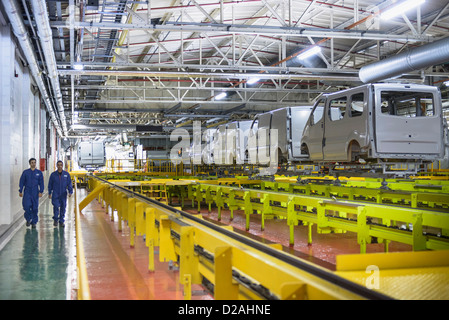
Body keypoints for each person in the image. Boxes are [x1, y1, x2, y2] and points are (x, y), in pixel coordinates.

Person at [19, 158, 44, 228]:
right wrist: (20, 190)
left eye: (34, 162)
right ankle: (28, 219)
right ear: (30, 164)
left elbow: (41, 183)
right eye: (32, 162)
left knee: (35, 208)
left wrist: (41, 191)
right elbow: (22, 182)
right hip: (27, 192)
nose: (33, 164)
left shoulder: (39, 173)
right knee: (26, 206)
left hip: (35, 192)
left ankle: (34, 222)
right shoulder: (25, 172)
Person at [48, 160, 73, 227]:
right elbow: (50, 184)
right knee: (56, 206)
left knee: (63, 207)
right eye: (58, 165)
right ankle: (56, 220)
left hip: (63, 194)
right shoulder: (53, 175)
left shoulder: (66, 174)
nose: (59, 166)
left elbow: (69, 183)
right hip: (55, 193)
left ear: (62, 166)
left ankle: (61, 221)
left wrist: (70, 191)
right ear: (56, 166)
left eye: (61, 165)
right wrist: (49, 192)